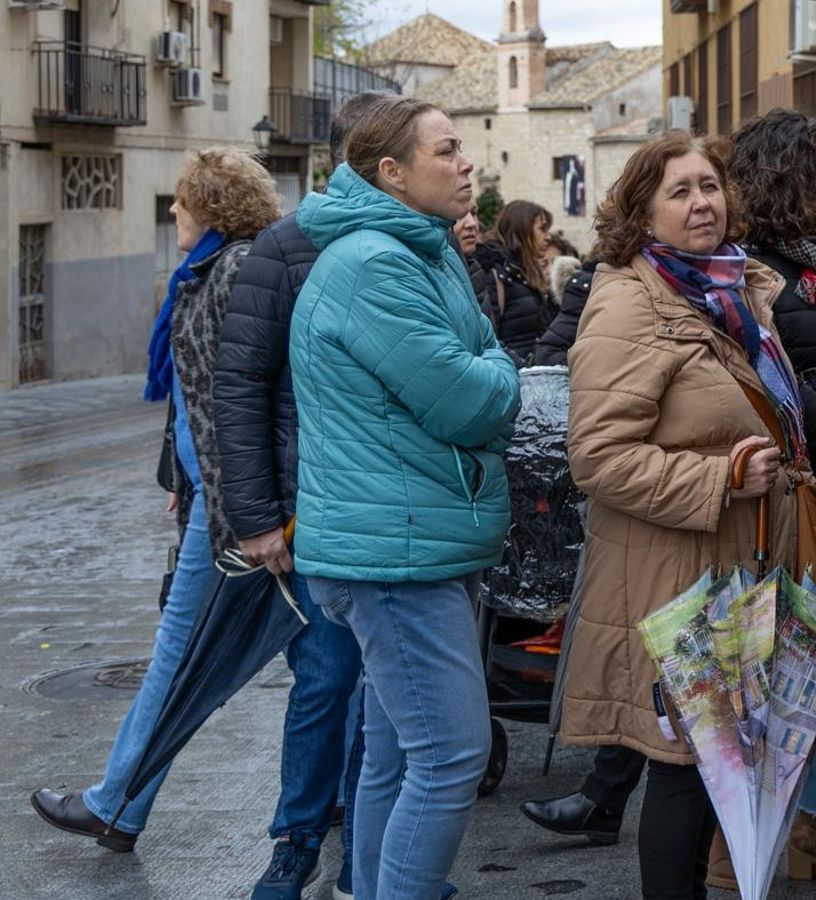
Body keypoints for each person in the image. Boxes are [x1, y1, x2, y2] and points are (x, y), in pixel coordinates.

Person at [559, 130, 803, 900]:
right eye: (680, 192)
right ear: (641, 212)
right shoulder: (632, 303)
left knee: (719, 767)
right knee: (684, 771)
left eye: (710, 186)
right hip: (675, 575)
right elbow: (596, 456)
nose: (703, 203)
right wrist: (720, 477)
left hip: (738, 567)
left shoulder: (733, 289)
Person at [291, 96, 521, 900]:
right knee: (452, 755)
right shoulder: (375, 265)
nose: (468, 165)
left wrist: (490, 366)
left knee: (395, 754)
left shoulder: (422, 252)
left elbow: (486, 349)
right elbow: (475, 395)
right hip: (396, 554)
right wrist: (500, 377)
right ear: (391, 171)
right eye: (448, 150)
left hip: (417, 540)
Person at [30, 149, 281, 857]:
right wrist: (184, 477)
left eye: (179, 200)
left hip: (233, 507)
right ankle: (121, 806)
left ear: (211, 204)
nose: (172, 211)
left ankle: (116, 804)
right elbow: (194, 405)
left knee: (184, 654)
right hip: (216, 497)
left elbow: (239, 399)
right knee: (200, 654)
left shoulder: (231, 271)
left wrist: (233, 503)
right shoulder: (212, 270)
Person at [210, 91, 386, 900]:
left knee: (386, 695)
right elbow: (238, 388)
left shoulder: (420, 249)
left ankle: (368, 854)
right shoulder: (282, 249)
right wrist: (253, 518)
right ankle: (297, 842)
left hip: (400, 514)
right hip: (308, 512)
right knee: (325, 679)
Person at [728, 107, 816, 889]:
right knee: (807, 656)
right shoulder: (756, 268)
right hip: (797, 488)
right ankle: (809, 823)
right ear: (783, 175)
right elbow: (780, 387)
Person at [478, 199, 557, 360]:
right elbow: (488, 336)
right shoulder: (494, 271)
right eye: (542, 229)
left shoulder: (524, 271)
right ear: (522, 230)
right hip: (511, 373)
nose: (548, 237)